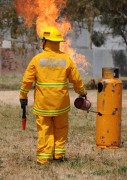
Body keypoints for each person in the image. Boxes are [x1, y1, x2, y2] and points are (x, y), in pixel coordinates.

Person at [19, 26, 87, 164]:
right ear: (57, 42)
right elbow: (76, 79)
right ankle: (58, 156)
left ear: (45, 41)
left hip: (43, 105)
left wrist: (23, 96)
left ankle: (43, 159)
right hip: (61, 105)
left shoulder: (37, 60)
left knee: (44, 130)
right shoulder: (66, 60)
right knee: (61, 129)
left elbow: (27, 81)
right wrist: (82, 93)